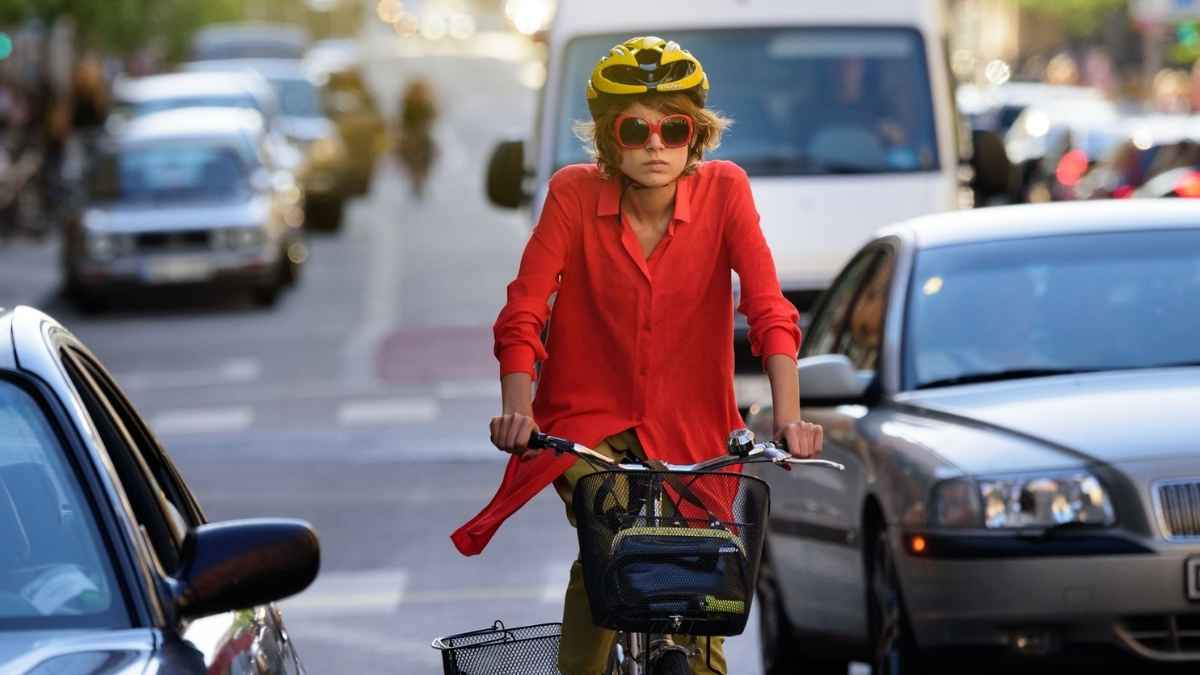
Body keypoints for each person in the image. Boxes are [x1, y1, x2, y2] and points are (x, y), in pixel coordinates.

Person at [451, 36, 823, 674]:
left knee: (700, 584)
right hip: (585, 423)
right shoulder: (571, 195)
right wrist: (518, 410)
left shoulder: (726, 191)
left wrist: (789, 415)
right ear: (607, 137)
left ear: (695, 135)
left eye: (673, 128)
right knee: (614, 546)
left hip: (694, 425)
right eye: (635, 128)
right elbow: (524, 311)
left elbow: (768, 308)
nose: (656, 145)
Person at [395, 78, 437, 199]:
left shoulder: (424, 105)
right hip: (412, 139)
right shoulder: (408, 104)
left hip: (419, 139)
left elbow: (430, 118)